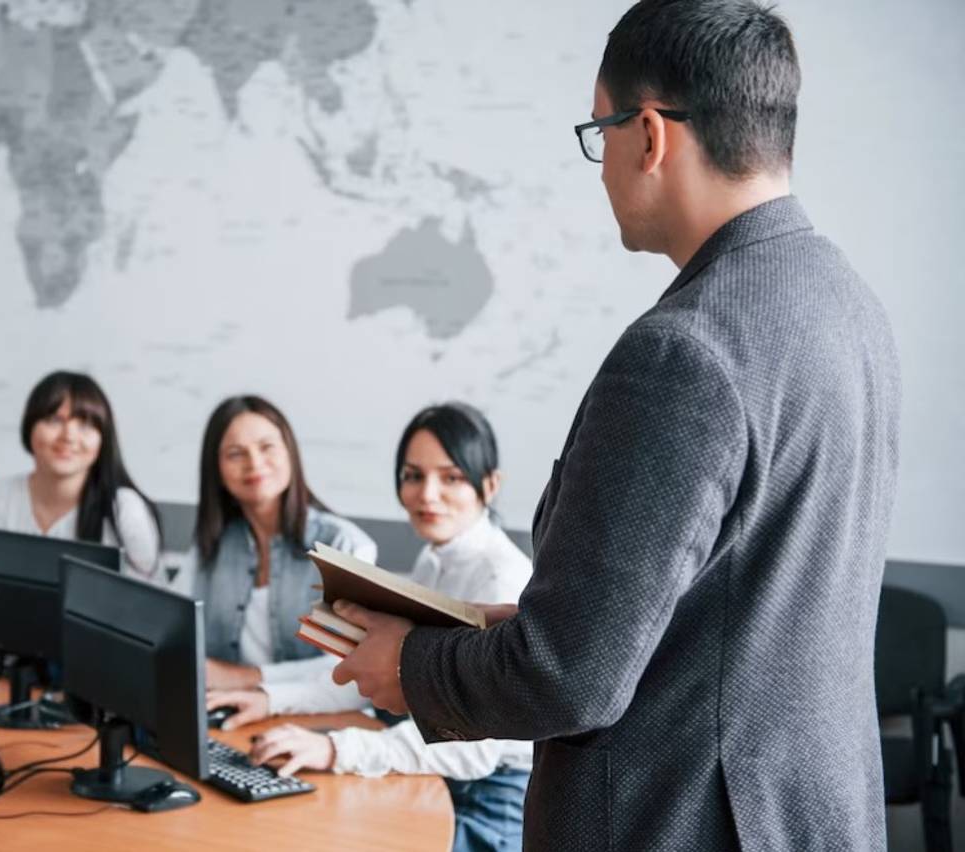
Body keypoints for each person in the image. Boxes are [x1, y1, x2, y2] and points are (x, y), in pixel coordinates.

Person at [331, 2, 901, 849]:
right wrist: (507, 627)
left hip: (679, 819)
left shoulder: (684, 353)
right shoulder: (849, 306)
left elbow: (572, 681)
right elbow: (731, 606)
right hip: (807, 816)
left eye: (599, 134)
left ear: (648, 134)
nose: (601, 169)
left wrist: (409, 669)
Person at [249, 403, 533, 852]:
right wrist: (269, 699)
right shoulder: (434, 559)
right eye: (413, 475)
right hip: (434, 778)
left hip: (487, 804)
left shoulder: (501, 578)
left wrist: (336, 750)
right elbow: (369, 665)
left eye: (451, 477)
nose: (427, 494)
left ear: (490, 484)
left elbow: (474, 749)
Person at [189, 395, 376, 715]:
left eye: (267, 447)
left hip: (325, 722)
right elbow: (170, 628)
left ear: (290, 452)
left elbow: (350, 668)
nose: (254, 463)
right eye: (236, 453)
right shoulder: (211, 544)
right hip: (231, 716)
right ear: (216, 468)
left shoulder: (344, 545)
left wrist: (249, 679)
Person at [0, 371, 162, 581]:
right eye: (55, 420)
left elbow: (150, 604)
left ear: (103, 438)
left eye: (85, 425)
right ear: (30, 427)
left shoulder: (125, 509)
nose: (69, 436)